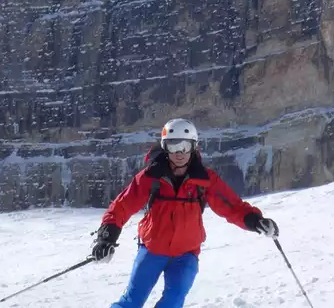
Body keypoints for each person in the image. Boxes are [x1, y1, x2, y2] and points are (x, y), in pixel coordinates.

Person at [90, 118, 279, 308]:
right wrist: (106, 237)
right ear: (165, 147)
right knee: (131, 301)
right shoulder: (151, 177)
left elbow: (232, 206)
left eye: (184, 146)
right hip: (152, 249)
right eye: (173, 146)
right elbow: (122, 205)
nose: (179, 153)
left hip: (186, 254)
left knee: (172, 302)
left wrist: (255, 221)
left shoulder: (205, 180)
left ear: (193, 147)